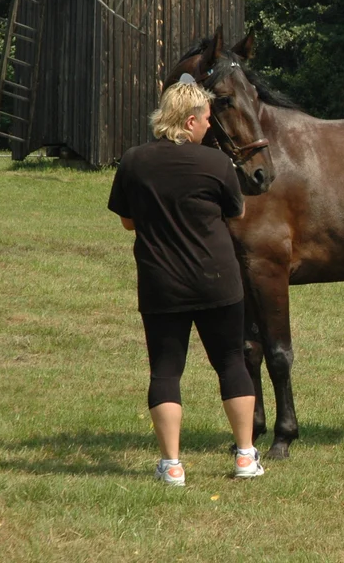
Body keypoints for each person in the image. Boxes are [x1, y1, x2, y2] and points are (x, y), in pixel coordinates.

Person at [108, 81, 264, 486]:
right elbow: (237, 213)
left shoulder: (133, 161)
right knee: (231, 363)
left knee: (165, 371)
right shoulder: (216, 165)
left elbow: (128, 220)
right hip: (218, 282)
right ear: (191, 120)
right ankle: (245, 457)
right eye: (208, 119)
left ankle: (172, 464)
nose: (210, 127)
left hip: (162, 284)